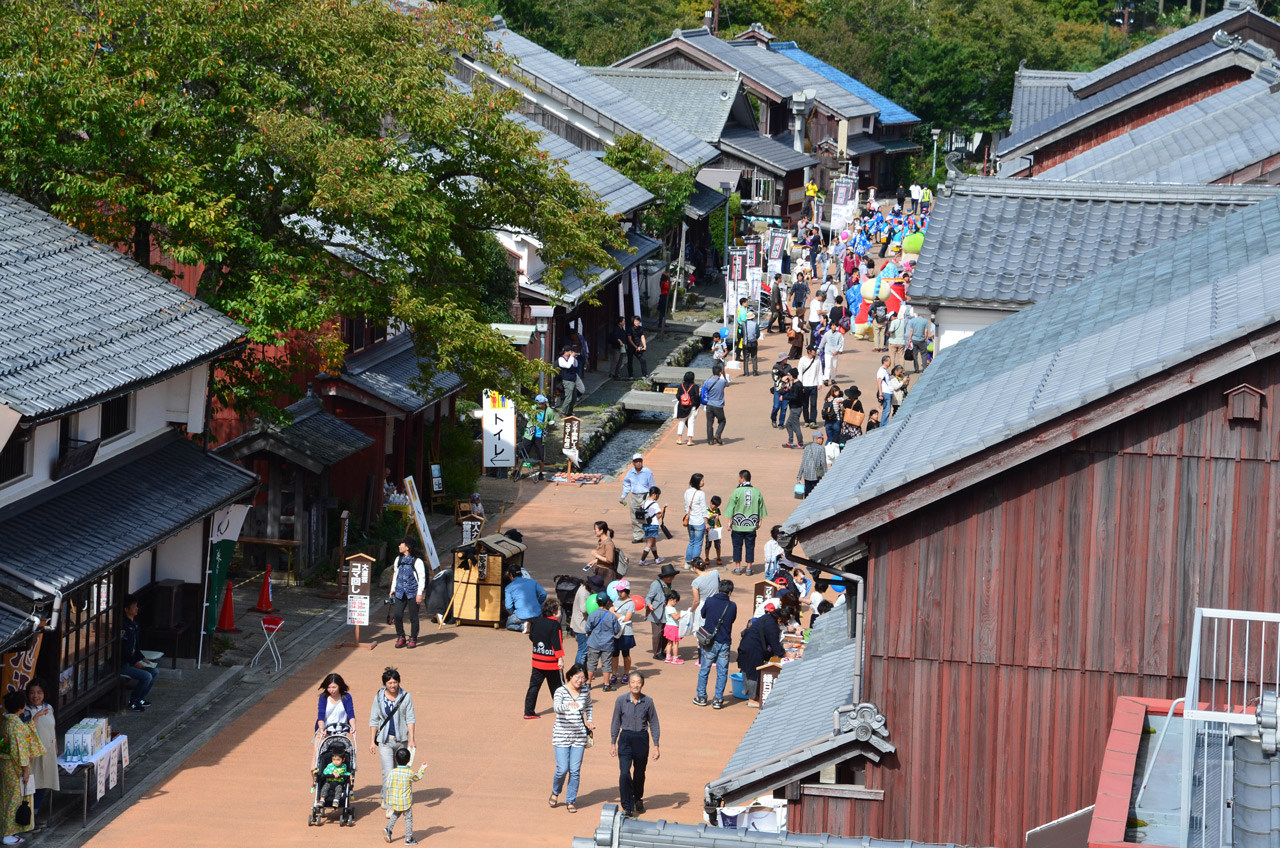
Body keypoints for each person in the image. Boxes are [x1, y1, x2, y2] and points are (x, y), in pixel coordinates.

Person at [609, 672, 660, 818]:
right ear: (629, 684)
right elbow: (615, 722)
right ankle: (627, 806)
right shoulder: (620, 700)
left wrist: (656, 745)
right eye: (633, 682)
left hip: (642, 739)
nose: (635, 685)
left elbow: (654, 723)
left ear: (642, 684)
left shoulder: (648, 701)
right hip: (625, 739)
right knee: (624, 773)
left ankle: (637, 798)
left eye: (638, 682)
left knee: (639, 773)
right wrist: (613, 742)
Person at [369, 667, 417, 816]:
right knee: (388, 772)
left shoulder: (406, 697)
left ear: (399, 682)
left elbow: (410, 718)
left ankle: (384, 793)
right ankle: (390, 804)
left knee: (398, 772)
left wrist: (411, 739)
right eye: (389, 683)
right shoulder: (379, 697)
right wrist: (372, 741)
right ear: (385, 684)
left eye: (395, 682)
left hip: (401, 740)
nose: (392, 685)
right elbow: (374, 720)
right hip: (385, 740)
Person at [550, 663, 594, 814]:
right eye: (578, 677)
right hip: (561, 735)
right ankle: (556, 792)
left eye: (583, 678)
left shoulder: (585, 692)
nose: (580, 681)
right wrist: (569, 704)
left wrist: (589, 720)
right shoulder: (560, 691)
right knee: (562, 769)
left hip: (579, 736)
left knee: (575, 770)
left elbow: (589, 706)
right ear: (570, 675)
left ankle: (570, 800)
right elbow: (556, 707)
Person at [0, 690, 40, 845]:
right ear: (22, 706)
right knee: (14, 800)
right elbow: (20, 749)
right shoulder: (15, 725)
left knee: (6, 798)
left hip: (6, 764)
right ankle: (8, 833)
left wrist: (35, 719)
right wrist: (25, 770)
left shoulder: (7, 721)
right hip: (15, 766)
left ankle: (5, 830)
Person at [692, 579, 737, 709]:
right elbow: (732, 619)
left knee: (704, 669)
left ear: (719, 589)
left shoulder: (710, 601)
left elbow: (703, 614)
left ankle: (701, 697)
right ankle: (718, 699)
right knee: (722, 672)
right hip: (725, 642)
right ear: (730, 592)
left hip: (709, 641)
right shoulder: (732, 605)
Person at [738, 602, 786, 708]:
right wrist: (784, 653)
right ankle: (752, 699)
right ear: (779, 619)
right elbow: (775, 644)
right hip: (752, 649)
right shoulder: (771, 625)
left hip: (747, 646)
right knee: (752, 673)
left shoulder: (768, 618)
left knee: (750, 672)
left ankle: (754, 696)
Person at [20, 681, 55, 822]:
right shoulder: (25, 711)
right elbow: (25, 732)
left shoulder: (49, 708)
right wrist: (37, 716)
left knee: (44, 782)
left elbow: (52, 729)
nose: (36, 696)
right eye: (33, 693)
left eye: (39, 693)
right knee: (31, 784)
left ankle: (35, 813)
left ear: (44, 694)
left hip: (48, 751)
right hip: (32, 755)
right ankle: (27, 816)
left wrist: (55, 746)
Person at [525, 598, 564, 719]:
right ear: (554, 611)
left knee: (534, 687)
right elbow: (557, 642)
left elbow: (532, 636)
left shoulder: (536, 621)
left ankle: (528, 711)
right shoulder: (555, 624)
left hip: (537, 661)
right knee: (557, 688)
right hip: (551, 662)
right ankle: (561, 710)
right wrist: (560, 658)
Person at [725, 469, 766, 576]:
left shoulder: (737, 491)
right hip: (751, 525)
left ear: (742, 479)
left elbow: (731, 507)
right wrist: (760, 521)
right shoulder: (757, 492)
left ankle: (738, 568)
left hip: (738, 525)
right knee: (750, 546)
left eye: (739, 478)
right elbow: (761, 507)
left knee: (737, 546)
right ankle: (748, 568)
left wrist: (729, 521)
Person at [383, 746, 427, 844]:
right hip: (406, 801)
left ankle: (388, 829)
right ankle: (409, 838)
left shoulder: (392, 772)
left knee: (396, 814)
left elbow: (388, 784)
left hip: (395, 799)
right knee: (408, 819)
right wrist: (422, 769)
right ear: (408, 760)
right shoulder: (409, 773)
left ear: (396, 760)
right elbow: (417, 777)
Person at [120, 594, 157, 712]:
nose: (137, 609)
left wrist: (142, 658)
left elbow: (135, 646)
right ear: (126, 609)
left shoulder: (134, 624)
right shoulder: (123, 626)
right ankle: (133, 701)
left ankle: (140, 698)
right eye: (134, 607)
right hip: (122, 663)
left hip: (132, 661)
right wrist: (135, 662)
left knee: (154, 671)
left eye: (137, 606)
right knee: (146, 676)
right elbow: (123, 649)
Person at [388, 539, 425, 649]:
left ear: (407, 547)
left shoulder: (417, 561)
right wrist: (392, 589)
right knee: (397, 615)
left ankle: (413, 637)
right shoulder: (398, 559)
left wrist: (419, 594)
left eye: (401, 544)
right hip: (400, 591)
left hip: (413, 592)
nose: (399, 546)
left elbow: (421, 578)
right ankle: (401, 636)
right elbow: (396, 575)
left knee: (413, 617)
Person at [584, 595, 620, 690]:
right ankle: (606, 685)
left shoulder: (592, 614)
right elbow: (617, 629)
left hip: (594, 643)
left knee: (591, 663)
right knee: (606, 664)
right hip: (607, 644)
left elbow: (587, 628)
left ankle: (588, 683)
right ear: (608, 603)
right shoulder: (611, 616)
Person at [619, 454, 655, 544]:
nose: (638, 463)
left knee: (647, 515)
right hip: (634, 496)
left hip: (645, 496)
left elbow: (652, 485)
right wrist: (623, 497)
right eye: (636, 461)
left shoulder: (648, 472)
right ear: (633, 463)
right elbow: (626, 485)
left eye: (640, 461)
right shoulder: (630, 473)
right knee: (635, 517)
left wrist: (652, 498)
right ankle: (638, 536)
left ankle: (649, 534)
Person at [520, 394, 556, 481]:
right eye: (538, 403)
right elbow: (526, 418)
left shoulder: (549, 411)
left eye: (541, 403)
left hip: (540, 436)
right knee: (522, 451)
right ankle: (517, 470)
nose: (540, 405)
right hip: (529, 434)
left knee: (541, 455)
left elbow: (551, 423)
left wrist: (545, 429)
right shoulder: (532, 408)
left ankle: (540, 473)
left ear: (544, 403)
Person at [645, 564, 678, 659]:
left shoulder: (668, 584)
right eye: (671, 577)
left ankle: (662, 650)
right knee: (657, 634)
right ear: (665, 576)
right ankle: (657, 653)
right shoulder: (655, 584)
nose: (672, 578)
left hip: (666, 613)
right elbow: (648, 597)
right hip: (656, 613)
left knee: (665, 633)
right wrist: (650, 605)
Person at [608, 583, 638, 687]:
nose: (619, 593)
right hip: (615, 632)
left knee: (626, 654)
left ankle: (626, 673)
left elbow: (626, 619)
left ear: (627, 591)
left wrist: (614, 613)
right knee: (614, 654)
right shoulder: (616, 600)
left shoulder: (630, 603)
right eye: (618, 591)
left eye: (621, 591)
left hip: (626, 632)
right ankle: (614, 674)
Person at [504, 565, 548, 632]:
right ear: (521, 573)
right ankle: (534, 625)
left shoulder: (508, 588)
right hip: (536, 614)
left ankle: (523, 627)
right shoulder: (532, 582)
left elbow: (508, 606)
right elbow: (544, 593)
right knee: (542, 607)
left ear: (510, 575)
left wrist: (512, 613)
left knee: (509, 624)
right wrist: (538, 603)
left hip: (520, 616)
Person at [315, 673, 356, 743]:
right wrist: (321, 729)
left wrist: (353, 727)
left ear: (339, 686)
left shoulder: (347, 697)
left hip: (341, 733)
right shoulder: (323, 698)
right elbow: (320, 716)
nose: (331, 690)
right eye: (329, 687)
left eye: (334, 687)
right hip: (325, 732)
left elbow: (350, 714)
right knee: (318, 751)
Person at [570, 576, 599, 666]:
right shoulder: (584, 593)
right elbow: (583, 609)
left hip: (579, 624)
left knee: (584, 650)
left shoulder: (583, 588)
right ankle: (578, 671)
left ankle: (583, 669)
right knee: (583, 651)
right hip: (582, 626)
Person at [682, 473, 708, 566]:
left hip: (690, 521)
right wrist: (706, 522)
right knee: (698, 543)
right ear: (697, 482)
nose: (703, 482)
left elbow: (686, 506)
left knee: (691, 542)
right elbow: (703, 509)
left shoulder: (687, 492)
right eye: (701, 480)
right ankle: (695, 564)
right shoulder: (701, 493)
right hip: (699, 522)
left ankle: (687, 562)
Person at [701, 363, 728, 446]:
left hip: (709, 405)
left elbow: (704, 389)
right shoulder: (722, 381)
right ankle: (717, 434)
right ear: (720, 373)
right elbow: (726, 383)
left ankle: (710, 440)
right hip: (718, 405)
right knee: (722, 421)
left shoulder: (708, 381)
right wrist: (723, 375)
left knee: (709, 423)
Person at [638, 488, 665, 564]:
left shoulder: (645, 502)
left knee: (653, 542)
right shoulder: (655, 504)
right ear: (654, 495)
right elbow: (658, 516)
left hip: (646, 524)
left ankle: (657, 558)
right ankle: (642, 560)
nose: (658, 497)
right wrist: (663, 508)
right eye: (658, 495)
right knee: (649, 543)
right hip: (653, 524)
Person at [673, 371, 700, 446]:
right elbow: (697, 397)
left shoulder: (681, 386)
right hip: (692, 407)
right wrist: (695, 405)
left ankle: (679, 439)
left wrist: (682, 400)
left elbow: (678, 396)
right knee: (691, 423)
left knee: (681, 422)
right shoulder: (695, 387)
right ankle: (689, 440)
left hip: (681, 407)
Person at [796, 347, 821, 426]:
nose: (815, 352)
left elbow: (820, 371)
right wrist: (800, 385)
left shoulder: (818, 359)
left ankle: (813, 420)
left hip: (814, 384)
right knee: (805, 404)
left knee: (813, 404)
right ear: (809, 351)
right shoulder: (802, 360)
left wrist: (820, 383)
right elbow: (800, 372)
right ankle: (806, 420)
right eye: (814, 351)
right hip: (805, 385)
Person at [797, 432, 827, 497]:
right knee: (815, 495)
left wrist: (799, 476)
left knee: (807, 494)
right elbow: (823, 463)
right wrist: (826, 475)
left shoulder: (807, 447)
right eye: (821, 438)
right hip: (816, 476)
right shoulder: (821, 448)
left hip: (807, 475)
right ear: (816, 439)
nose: (822, 440)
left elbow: (803, 462)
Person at [781, 369, 805, 449]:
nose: (787, 376)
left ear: (792, 376)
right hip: (794, 408)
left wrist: (784, 397)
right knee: (788, 424)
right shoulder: (796, 384)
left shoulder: (797, 385)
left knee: (796, 426)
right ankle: (790, 442)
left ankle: (800, 443)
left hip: (796, 409)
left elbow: (795, 397)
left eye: (789, 375)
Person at [662, 591, 685, 663]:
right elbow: (675, 617)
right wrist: (682, 614)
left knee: (670, 643)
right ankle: (675, 658)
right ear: (671, 599)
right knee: (675, 643)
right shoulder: (670, 608)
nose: (676, 603)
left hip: (669, 626)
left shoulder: (668, 607)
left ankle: (668, 657)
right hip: (673, 627)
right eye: (676, 601)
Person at [557, 344, 580, 415]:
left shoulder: (570, 359)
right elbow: (568, 365)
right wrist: (571, 358)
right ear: (566, 352)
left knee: (574, 398)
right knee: (568, 398)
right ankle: (563, 412)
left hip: (573, 380)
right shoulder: (561, 359)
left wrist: (574, 358)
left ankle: (569, 412)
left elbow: (575, 365)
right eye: (570, 352)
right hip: (567, 380)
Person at [769, 357, 790, 428]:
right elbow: (775, 378)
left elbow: (791, 376)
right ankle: (773, 419)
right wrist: (783, 378)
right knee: (776, 406)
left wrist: (787, 377)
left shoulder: (788, 366)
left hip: (786, 390)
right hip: (778, 390)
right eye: (785, 358)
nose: (787, 359)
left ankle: (781, 423)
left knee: (784, 408)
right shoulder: (775, 367)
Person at [703, 495, 723, 565]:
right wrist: (712, 516)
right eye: (714, 505)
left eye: (717, 506)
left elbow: (717, 517)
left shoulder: (717, 510)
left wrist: (716, 525)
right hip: (708, 528)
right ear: (711, 503)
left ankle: (718, 557)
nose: (715, 507)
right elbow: (705, 518)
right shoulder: (706, 510)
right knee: (708, 544)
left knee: (717, 544)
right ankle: (707, 558)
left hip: (716, 528)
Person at [740, 311, 760, 376]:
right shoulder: (756, 324)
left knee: (746, 358)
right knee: (754, 357)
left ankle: (746, 372)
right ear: (752, 318)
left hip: (745, 343)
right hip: (753, 343)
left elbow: (741, 334)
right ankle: (755, 371)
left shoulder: (743, 325)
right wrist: (754, 337)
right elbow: (758, 334)